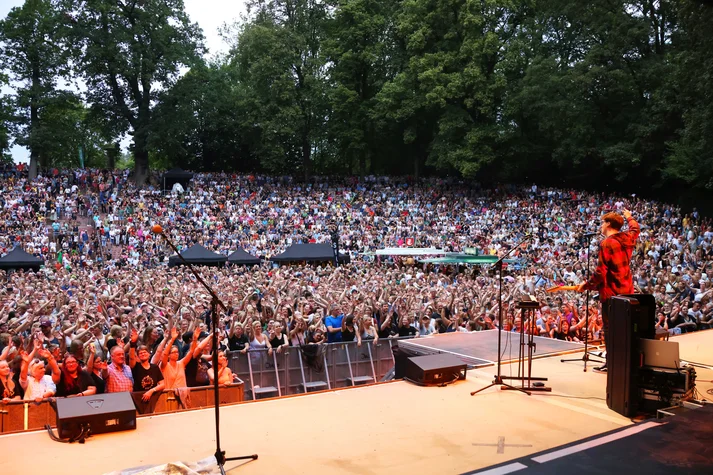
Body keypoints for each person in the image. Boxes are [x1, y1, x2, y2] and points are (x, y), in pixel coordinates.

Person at [577, 209, 640, 373]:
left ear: (609, 224)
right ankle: (624, 363)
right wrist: (629, 216)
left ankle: (612, 365)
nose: (601, 225)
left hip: (611, 293)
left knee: (611, 331)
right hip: (627, 291)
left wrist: (587, 285)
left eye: (603, 222)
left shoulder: (607, 243)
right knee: (623, 329)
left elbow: (600, 272)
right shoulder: (627, 238)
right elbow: (635, 229)